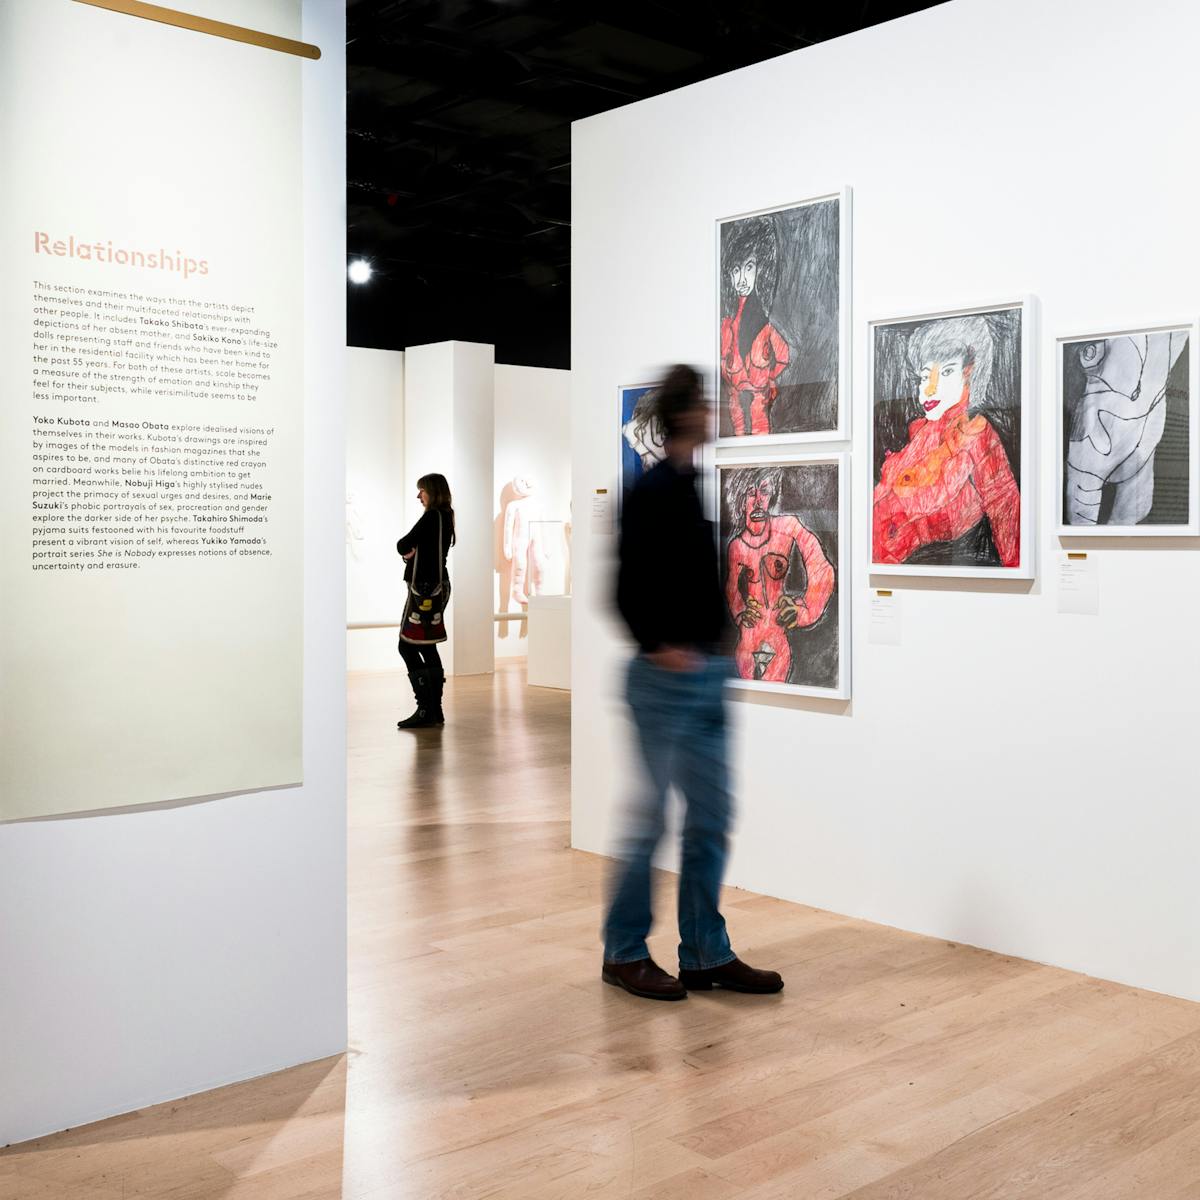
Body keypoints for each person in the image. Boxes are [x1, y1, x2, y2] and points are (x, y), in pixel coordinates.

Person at [603, 364, 784, 1001]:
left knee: (710, 817)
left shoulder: (687, 486)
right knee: (650, 822)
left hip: (705, 678)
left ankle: (706, 952)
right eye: (704, 405)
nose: (712, 414)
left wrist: (719, 646)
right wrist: (662, 647)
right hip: (663, 682)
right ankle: (623, 951)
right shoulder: (651, 492)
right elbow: (622, 592)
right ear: (683, 415)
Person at [872, 315, 1020, 567]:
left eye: (946, 372)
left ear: (969, 374)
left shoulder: (978, 437)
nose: (928, 389)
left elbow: (1007, 514)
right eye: (924, 376)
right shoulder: (920, 434)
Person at [724, 467, 834, 683]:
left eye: (764, 492)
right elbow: (731, 589)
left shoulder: (787, 527)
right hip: (748, 638)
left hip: (778, 635)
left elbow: (821, 568)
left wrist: (805, 609)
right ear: (741, 497)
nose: (758, 501)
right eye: (750, 493)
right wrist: (739, 613)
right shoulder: (736, 547)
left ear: (772, 495)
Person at [720, 217, 791, 437]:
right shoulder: (726, 325)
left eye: (748, 268)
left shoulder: (766, 326)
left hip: (759, 396)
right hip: (735, 399)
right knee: (738, 433)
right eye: (736, 270)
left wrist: (769, 378)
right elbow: (722, 360)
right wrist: (731, 378)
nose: (741, 279)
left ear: (760, 269)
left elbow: (783, 357)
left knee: (761, 431)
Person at [395, 473, 454, 730]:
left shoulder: (432, 516)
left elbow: (403, 544)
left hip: (424, 591)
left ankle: (425, 708)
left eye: (422, 491)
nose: (419, 496)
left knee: (407, 646)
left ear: (432, 491)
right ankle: (434, 710)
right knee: (427, 647)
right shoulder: (447, 516)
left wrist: (409, 552)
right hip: (438, 587)